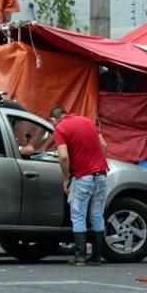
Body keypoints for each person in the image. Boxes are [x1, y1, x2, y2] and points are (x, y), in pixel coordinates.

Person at [51, 106, 109, 266]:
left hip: (82, 176)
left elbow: (63, 157)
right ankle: (97, 256)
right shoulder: (88, 122)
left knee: (78, 215)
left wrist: (66, 178)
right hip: (101, 175)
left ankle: (80, 257)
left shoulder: (60, 128)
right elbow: (104, 145)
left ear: (53, 120)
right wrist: (99, 163)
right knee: (97, 215)